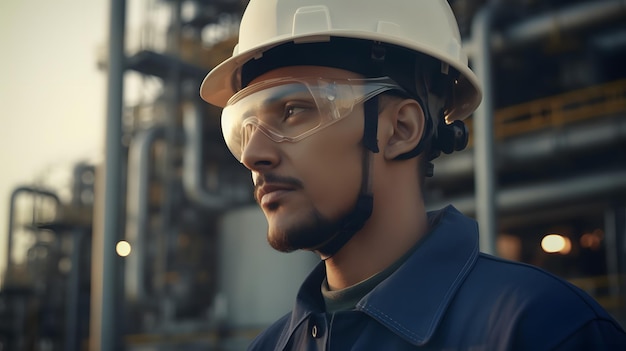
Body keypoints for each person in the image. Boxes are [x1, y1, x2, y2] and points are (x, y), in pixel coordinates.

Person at [199, 0, 626, 349]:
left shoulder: (543, 331)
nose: (254, 154)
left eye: (293, 111)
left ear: (401, 130)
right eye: (243, 127)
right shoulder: (272, 346)